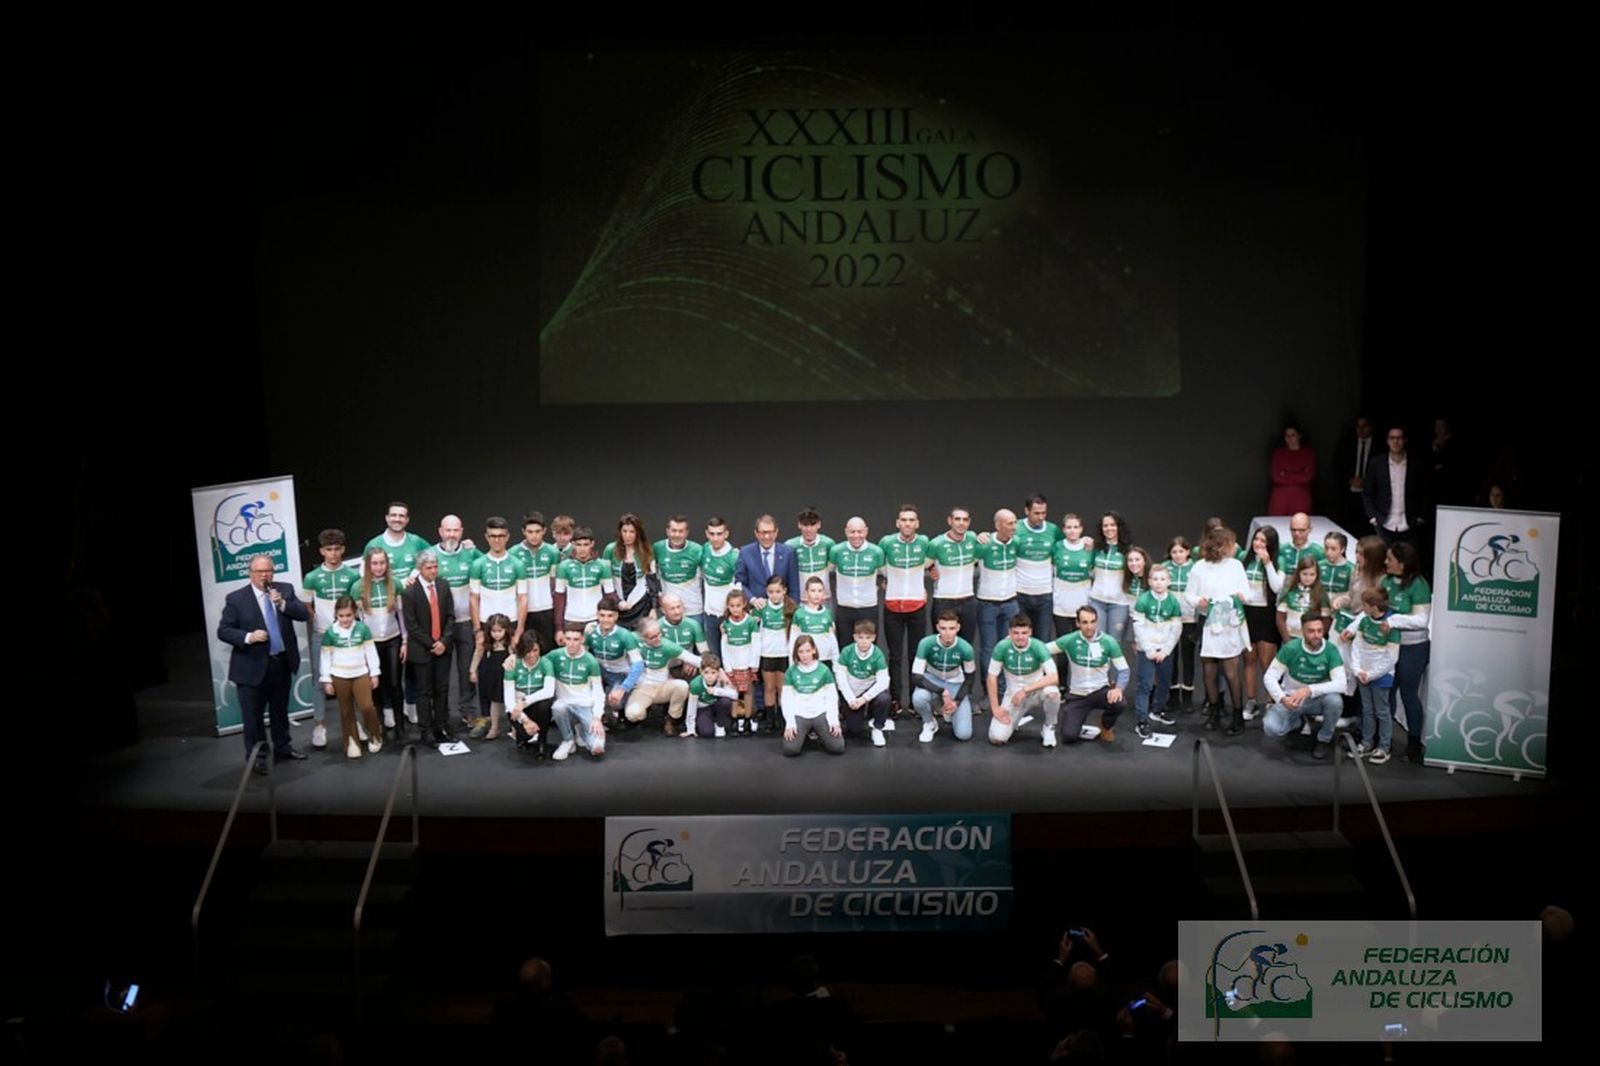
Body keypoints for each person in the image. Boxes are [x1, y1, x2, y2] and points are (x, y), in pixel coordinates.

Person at [218, 554, 311, 773]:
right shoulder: (236, 599)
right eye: (259, 572)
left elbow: (302, 615)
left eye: (268, 571)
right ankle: (257, 756)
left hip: (280, 663)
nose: (264, 575)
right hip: (251, 667)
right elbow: (224, 630)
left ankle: (283, 747)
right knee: (253, 716)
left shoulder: (284, 590)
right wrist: (249, 636)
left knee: (280, 711)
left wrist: (282, 603)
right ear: (251, 574)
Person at [1184, 526, 1249, 735]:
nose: (1235, 547)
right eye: (1231, 544)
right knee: (1209, 671)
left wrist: (1241, 595)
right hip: (1208, 623)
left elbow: (1245, 589)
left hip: (1229, 624)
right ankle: (1214, 712)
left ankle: (1238, 715)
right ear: (1220, 546)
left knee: (1231, 673)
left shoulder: (1236, 566)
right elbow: (1189, 593)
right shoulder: (1199, 567)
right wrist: (1198, 601)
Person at [301, 528, 360, 750]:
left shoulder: (353, 575)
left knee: (353, 678)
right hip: (322, 635)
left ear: (343, 550)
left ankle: (355, 724)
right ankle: (319, 726)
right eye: (328, 549)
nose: (333, 554)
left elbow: (356, 605)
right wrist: (316, 620)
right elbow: (307, 604)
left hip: (348, 635)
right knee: (320, 681)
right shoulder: (312, 577)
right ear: (321, 551)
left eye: (337, 549)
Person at [1261, 614, 1348, 760]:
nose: (1316, 635)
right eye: (1311, 631)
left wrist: (1309, 690)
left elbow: (1341, 684)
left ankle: (1324, 739)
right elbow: (1269, 676)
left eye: (1320, 631)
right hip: (1291, 700)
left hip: (1317, 699)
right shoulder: (1291, 648)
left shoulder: (1331, 650)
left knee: (1335, 701)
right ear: (1302, 631)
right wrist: (1281, 698)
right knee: (1271, 728)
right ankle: (1298, 722)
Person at [1381, 541, 1433, 764]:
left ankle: (1413, 744)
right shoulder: (1386, 580)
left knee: (1408, 694)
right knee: (1386, 693)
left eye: (1390, 559)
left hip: (1413, 648)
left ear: (1402, 564)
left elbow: (1421, 620)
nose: (1385, 562)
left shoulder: (1419, 585)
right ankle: (1386, 740)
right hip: (1388, 647)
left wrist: (1394, 620)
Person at [879, 504, 933, 712]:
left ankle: (914, 701)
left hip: (917, 606)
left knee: (915, 655)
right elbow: (877, 563)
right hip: (893, 606)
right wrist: (884, 578)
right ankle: (895, 700)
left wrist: (934, 572)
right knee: (894, 655)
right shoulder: (886, 542)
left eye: (911, 520)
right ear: (897, 523)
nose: (907, 523)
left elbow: (934, 563)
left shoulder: (925, 543)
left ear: (917, 523)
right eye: (904, 520)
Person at [434, 514, 486, 730]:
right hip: (441, 626)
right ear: (440, 531)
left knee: (467, 671)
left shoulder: (471, 553)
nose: (452, 534)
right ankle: (441, 716)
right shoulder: (429, 555)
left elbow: (489, 563)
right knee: (441, 674)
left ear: (462, 531)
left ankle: (468, 714)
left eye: (455, 530)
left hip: (466, 623)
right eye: (448, 530)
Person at [1051, 605, 1130, 746]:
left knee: (1120, 703)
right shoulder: (1069, 640)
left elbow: (1124, 670)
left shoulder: (1109, 642)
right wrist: (1017, 642)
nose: (1089, 626)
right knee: (1069, 736)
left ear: (1097, 622)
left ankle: (1105, 725)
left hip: (1100, 691)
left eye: (1092, 621)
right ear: (1077, 623)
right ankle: (1075, 717)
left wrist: (1119, 688)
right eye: (1085, 622)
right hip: (1077, 695)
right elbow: (1042, 649)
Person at [401, 551, 456, 746]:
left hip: (443, 648)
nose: (433, 571)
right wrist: (433, 643)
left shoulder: (443, 585)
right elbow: (412, 625)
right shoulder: (409, 592)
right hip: (422, 650)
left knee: (442, 689)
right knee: (424, 692)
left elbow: (450, 616)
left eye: (435, 567)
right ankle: (426, 731)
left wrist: (444, 641)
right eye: (428, 568)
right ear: (419, 569)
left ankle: (440, 727)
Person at [318, 595, 383, 758]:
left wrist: (374, 673)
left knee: (367, 706)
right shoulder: (330, 632)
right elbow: (325, 657)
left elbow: (371, 652)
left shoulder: (362, 629)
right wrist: (326, 679)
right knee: (346, 710)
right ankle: (351, 742)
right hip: (339, 676)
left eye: (348, 615)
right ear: (336, 615)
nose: (345, 619)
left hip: (361, 673)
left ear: (354, 613)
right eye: (341, 616)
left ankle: (375, 735)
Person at [1341, 587, 1400, 764]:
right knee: (1367, 710)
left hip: (1381, 676)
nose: (1362, 609)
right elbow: (1357, 646)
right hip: (1363, 675)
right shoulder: (1365, 621)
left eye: (1365, 605)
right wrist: (1357, 669)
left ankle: (1384, 746)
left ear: (1374, 606)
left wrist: (1372, 674)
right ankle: (1366, 743)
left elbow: (1391, 658)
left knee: (1382, 711)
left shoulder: (1391, 626)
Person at [354, 546, 407, 740]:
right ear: (368, 565)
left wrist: (405, 642)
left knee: (394, 684)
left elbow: (401, 616)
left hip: (393, 640)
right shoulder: (358, 587)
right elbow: (356, 622)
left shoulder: (396, 584)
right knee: (375, 686)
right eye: (374, 563)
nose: (378, 567)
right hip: (370, 644)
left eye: (382, 563)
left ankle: (401, 726)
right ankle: (379, 728)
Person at [986, 613, 1061, 746]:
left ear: (1030, 632)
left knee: (1053, 694)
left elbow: (1054, 677)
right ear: (1009, 632)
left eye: (1024, 632)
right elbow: (991, 677)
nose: (1020, 637)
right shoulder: (1002, 647)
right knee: (997, 737)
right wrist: (995, 708)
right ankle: (1016, 718)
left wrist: (1025, 690)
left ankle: (1049, 727)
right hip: (1014, 696)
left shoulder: (1038, 647)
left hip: (1037, 691)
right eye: (1016, 633)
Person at [1130, 565, 1182, 738]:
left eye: (1162, 579)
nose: (1159, 583)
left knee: (1165, 683)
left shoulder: (1173, 602)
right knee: (1144, 685)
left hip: (1165, 650)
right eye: (1155, 579)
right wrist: (1149, 649)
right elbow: (1138, 627)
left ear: (1168, 581)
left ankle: (1157, 710)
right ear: (1149, 581)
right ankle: (1142, 721)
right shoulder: (1143, 600)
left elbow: (1176, 628)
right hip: (1147, 650)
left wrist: (1166, 650)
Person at [1363, 425, 1432, 555]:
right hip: (1384, 522)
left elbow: (1425, 492)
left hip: (1409, 523)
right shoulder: (1377, 463)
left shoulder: (1416, 463)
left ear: (1405, 440)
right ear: (1387, 441)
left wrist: (1421, 517)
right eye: (1392, 438)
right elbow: (1367, 493)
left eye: (1399, 438)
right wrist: (1373, 516)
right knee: (1383, 562)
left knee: (1408, 564)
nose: (1396, 441)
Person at [1240, 525, 1286, 720]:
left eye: (1263, 541)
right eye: (1256, 539)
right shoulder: (1245, 558)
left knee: (1267, 663)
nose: (1258, 544)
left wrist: (1267, 564)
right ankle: (1251, 701)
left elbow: (1276, 587)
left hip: (1267, 614)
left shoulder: (1279, 560)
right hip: (1247, 613)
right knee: (1249, 660)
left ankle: (1270, 702)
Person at [910, 609, 977, 742]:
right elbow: (916, 677)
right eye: (943, 628)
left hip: (955, 682)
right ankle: (929, 722)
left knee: (964, 735)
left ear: (958, 628)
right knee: (918, 697)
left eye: (951, 628)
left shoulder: (966, 648)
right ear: (937, 628)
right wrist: (942, 692)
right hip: (933, 679)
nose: (947, 633)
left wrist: (956, 702)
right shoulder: (926, 643)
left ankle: (949, 710)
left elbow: (969, 679)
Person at [827, 517, 885, 670]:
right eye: (852, 532)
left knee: (869, 651)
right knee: (845, 652)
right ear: (846, 532)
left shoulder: (876, 551)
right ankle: (845, 692)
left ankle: (869, 690)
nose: (856, 535)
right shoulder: (836, 551)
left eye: (860, 531)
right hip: (844, 609)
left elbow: (886, 574)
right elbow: (827, 572)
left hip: (868, 608)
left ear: (866, 531)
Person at [974, 508, 1020, 700]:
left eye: (1015, 522)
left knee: (1010, 648)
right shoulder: (984, 543)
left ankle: (1007, 690)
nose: (1013, 527)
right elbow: (964, 564)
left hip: (1010, 602)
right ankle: (989, 692)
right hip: (987, 604)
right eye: (1009, 523)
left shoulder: (1016, 542)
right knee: (989, 650)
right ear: (997, 525)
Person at [627, 619, 702, 734]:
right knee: (632, 714)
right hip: (642, 689)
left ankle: (671, 720)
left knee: (682, 686)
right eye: (653, 637)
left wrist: (717, 669)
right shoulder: (634, 639)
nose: (658, 638)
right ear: (643, 638)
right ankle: (643, 713)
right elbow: (617, 633)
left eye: (659, 634)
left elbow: (693, 659)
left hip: (662, 687)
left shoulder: (667, 645)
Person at [549, 621, 607, 761]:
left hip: (585, 707)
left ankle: (581, 729)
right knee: (557, 707)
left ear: (582, 640)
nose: (571, 643)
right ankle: (568, 740)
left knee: (597, 747)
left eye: (576, 639)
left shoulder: (590, 661)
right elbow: (534, 662)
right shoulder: (555, 655)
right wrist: (513, 658)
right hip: (565, 705)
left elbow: (598, 691)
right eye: (568, 639)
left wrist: (597, 717)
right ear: (564, 639)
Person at [781, 636, 844, 756]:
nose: (804, 655)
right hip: (799, 714)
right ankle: (805, 735)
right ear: (796, 653)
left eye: (808, 651)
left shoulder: (824, 670)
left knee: (838, 747)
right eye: (801, 651)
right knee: (790, 750)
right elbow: (786, 700)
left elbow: (832, 697)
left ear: (814, 650)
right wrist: (790, 723)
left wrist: (834, 721)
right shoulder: (791, 671)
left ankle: (819, 733)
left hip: (820, 713)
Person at [928, 505, 980, 650]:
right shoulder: (936, 543)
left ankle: (965, 674)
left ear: (969, 522)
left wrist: (985, 536)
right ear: (949, 521)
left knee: (966, 647)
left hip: (968, 600)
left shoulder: (973, 538)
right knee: (940, 646)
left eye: (965, 520)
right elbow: (921, 564)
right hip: (943, 600)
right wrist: (931, 568)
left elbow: (980, 557)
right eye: (957, 519)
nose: (961, 523)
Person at [510, 511, 561, 656]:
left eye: (538, 531)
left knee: (548, 651)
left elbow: (554, 583)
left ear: (544, 531)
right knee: (525, 652)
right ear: (523, 532)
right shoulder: (513, 552)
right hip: (523, 612)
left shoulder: (552, 552)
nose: (534, 535)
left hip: (546, 610)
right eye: (530, 532)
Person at [834, 619, 892, 745]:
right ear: (855, 637)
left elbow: (883, 682)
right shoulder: (846, 652)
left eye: (868, 637)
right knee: (854, 730)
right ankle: (858, 715)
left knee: (884, 698)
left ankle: (877, 727)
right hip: (852, 692)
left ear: (873, 638)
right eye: (860, 637)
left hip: (869, 692)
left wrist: (864, 699)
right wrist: (850, 699)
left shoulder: (878, 654)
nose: (864, 641)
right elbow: (841, 678)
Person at [1014, 493, 1063, 640]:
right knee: (1020, 638)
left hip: (1044, 595)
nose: (1041, 517)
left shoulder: (1053, 530)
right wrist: (983, 536)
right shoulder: (1015, 527)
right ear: (1026, 511)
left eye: (1044, 513)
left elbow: (1067, 546)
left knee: (1043, 639)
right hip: (1020, 593)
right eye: (1036, 513)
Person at [735, 514, 800, 617]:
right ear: (756, 533)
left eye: (770, 532)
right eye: (763, 532)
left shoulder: (788, 553)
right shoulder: (745, 552)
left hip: (782, 614)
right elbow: (739, 583)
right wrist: (753, 600)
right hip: (755, 613)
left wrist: (791, 612)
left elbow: (794, 588)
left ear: (776, 532)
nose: (767, 536)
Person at [1088, 511, 1134, 655]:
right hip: (1097, 601)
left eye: (1112, 525)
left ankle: (1113, 678)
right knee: (1096, 641)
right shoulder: (1096, 548)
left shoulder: (1128, 550)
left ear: (1119, 526)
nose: (1109, 528)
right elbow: (1089, 571)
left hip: (1119, 603)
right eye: (1105, 525)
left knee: (1114, 645)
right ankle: (1098, 678)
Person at [602, 513, 657, 630]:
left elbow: (652, 580)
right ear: (620, 532)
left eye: (632, 532)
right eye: (624, 531)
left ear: (638, 533)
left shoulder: (647, 551)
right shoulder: (610, 550)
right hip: (617, 604)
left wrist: (654, 608)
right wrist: (617, 602)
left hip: (641, 605)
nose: (628, 535)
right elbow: (605, 581)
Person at [504, 631, 554, 757]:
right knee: (525, 735)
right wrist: (525, 720)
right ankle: (523, 737)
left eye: (535, 650)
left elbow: (549, 691)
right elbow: (509, 701)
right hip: (517, 709)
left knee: (545, 705)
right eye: (528, 651)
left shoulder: (545, 664)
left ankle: (542, 741)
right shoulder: (513, 665)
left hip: (534, 705)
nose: (532, 655)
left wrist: (525, 701)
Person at [653, 515, 704, 636]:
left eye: (681, 531)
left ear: (687, 532)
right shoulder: (658, 548)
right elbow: (648, 574)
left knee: (699, 647)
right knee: (669, 648)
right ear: (667, 531)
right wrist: (657, 597)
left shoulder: (697, 550)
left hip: (693, 608)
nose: (677, 534)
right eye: (674, 530)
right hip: (669, 610)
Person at [554, 527, 614, 630]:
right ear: (572, 544)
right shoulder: (564, 566)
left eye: (586, 545)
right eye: (578, 545)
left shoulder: (602, 565)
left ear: (592, 544)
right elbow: (559, 597)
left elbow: (610, 595)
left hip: (596, 619)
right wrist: (559, 628)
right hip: (571, 619)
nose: (582, 549)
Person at [719, 589, 761, 733]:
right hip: (733, 663)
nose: (735, 609)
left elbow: (756, 644)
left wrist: (754, 664)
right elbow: (724, 646)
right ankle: (735, 720)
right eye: (732, 606)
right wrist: (727, 666)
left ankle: (748, 719)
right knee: (733, 693)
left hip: (747, 663)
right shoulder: (726, 624)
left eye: (738, 605)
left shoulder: (750, 622)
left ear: (744, 604)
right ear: (728, 607)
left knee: (749, 691)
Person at [1164, 536, 1199, 712]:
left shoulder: (1195, 569)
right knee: (1171, 656)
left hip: (1189, 619)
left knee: (1187, 658)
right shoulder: (1164, 568)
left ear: (1188, 552)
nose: (1178, 555)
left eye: (1181, 551)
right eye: (1174, 552)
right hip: (1169, 620)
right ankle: (1172, 694)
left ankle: (1187, 696)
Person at [1050, 514, 1095, 645]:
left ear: (1081, 529)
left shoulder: (1089, 548)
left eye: (1076, 527)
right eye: (1069, 527)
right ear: (1063, 530)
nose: (1072, 530)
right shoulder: (1057, 547)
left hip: (1083, 605)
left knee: (1081, 646)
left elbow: (1093, 572)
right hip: (1061, 606)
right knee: (1062, 647)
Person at [699, 515, 739, 660]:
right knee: (714, 658)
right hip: (709, 615)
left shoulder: (734, 556)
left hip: (727, 616)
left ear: (726, 534)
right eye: (712, 534)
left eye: (719, 534)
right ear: (707, 534)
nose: (715, 538)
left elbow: (739, 587)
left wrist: (732, 615)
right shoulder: (705, 549)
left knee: (731, 658)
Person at [469, 613, 515, 740]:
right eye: (493, 631)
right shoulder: (486, 643)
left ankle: (515, 727)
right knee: (494, 702)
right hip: (492, 674)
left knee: (510, 701)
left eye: (500, 631)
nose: (496, 634)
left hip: (507, 676)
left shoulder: (509, 643)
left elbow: (515, 657)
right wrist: (472, 671)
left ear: (506, 630)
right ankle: (494, 727)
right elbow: (477, 655)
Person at [363, 501, 431, 583]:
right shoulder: (374, 544)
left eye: (401, 516)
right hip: (388, 593)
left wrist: (417, 572)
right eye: (393, 515)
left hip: (413, 592)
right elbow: (363, 573)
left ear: (407, 520)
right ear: (387, 518)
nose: (397, 519)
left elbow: (434, 557)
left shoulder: (416, 541)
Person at [787, 507, 835, 603]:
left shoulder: (828, 543)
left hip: (825, 598)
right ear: (799, 525)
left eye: (812, 525)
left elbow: (833, 570)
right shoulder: (790, 545)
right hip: (801, 599)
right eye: (805, 525)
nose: (809, 529)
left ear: (819, 525)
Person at [1268, 422, 1316, 516]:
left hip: (1301, 499)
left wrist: (1285, 474)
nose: (1290, 438)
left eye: (1293, 435)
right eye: (1287, 435)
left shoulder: (1308, 453)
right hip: (1280, 499)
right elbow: (1276, 477)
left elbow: (1308, 477)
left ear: (1299, 436)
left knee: (1300, 525)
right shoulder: (1279, 453)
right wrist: (1299, 474)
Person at [685, 654, 737, 738]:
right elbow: (691, 707)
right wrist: (690, 729)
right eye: (706, 672)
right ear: (701, 672)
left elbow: (734, 695)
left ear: (718, 672)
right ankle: (708, 721)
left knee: (725, 702)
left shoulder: (722, 679)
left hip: (717, 705)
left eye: (713, 673)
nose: (709, 676)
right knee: (706, 732)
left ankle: (719, 724)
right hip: (703, 707)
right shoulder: (696, 685)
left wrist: (716, 691)